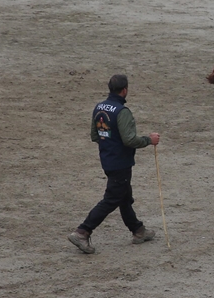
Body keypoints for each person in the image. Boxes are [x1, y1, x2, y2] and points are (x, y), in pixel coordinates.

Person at [68, 74, 160, 254]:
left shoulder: (99, 107)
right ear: (124, 90)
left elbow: (95, 136)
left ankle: (138, 230)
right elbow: (129, 140)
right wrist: (149, 140)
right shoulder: (122, 111)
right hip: (121, 163)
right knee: (112, 198)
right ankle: (82, 231)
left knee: (123, 197)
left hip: (107, 159)